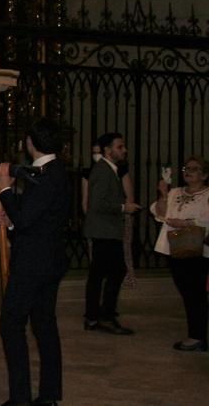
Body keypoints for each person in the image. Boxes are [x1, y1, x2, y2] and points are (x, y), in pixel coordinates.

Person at [0, 118, 70, 406]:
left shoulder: (46, 174)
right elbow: (36, 219)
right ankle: (49, 395)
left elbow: (27, 218)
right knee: (43, 324)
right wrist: (9, 221)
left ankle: (20, 399)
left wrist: (4, 190)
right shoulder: (55, 170)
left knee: (11, 323)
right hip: (48, 257)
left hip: (34, 263)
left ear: (30, 143)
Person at [150, 156, 209, 351]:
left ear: (204, 175)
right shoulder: (175, 192)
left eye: (194, 168)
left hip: (198, 250)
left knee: (196, 293)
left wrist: (185, 223)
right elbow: (159, 214)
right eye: (186, 168)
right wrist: (163, 194)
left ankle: (197, 336)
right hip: (175, 248)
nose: (188, 171)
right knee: (187, 292)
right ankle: (197, 333)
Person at [83, 132, 140, 334]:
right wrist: (124, 208)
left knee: (100, 273)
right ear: (108, 150)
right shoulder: (103, 171)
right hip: (104, 230)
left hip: (106, 230)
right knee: (113, 271)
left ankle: (94, 316)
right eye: (119, 147)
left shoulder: (108, 170)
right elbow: (97, 203)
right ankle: (103, 315)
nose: (123, 150)